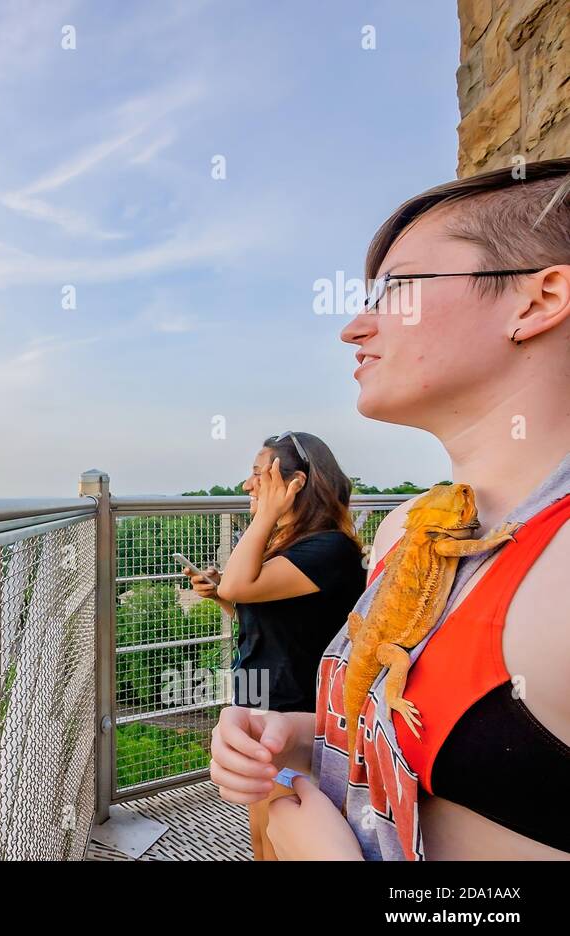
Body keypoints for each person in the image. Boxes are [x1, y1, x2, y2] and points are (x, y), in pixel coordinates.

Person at [208, 158, 570, 860]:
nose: (352, 327)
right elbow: (405, 726)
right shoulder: (410, 527)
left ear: (537, 299)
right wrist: (299, 731)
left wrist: (317, 847)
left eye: (396, 290)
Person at [185, 431, 364, 859]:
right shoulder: (297, 546)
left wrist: (265, 516)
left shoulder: (329, 548)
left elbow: (243, 583)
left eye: (257, 476)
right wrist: (224, 597)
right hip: (264, 697)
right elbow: (272, 617)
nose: (247, 486)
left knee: (279, 838)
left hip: (294, 711)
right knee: (262, 836)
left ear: (295, 484)